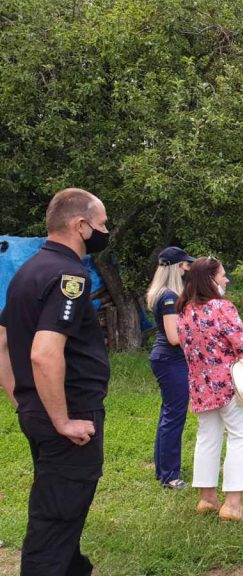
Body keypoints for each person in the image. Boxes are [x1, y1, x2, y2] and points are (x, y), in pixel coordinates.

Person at [0, 188, 110, 575]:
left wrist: (22, 400)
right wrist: (62, 420)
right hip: (70, 417)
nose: (105, 231)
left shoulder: (26, 271)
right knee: (56, 519)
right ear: (81, 226)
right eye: (102, 224)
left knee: (61, 512)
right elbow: (43, 353)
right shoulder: (69, 276)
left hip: (39, 410)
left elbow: (1, 342)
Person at [176, 256, 243, 522]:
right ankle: (233, 506)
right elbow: (242, 344)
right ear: (211, 279)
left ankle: (207, 499)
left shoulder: (185, 310)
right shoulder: (221, 307)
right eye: (223, 275)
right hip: (228, 384)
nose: (226, 279)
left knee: (207, 437)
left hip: (200, 385)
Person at [144, 246, 195, 490]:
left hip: (167, 359)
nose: (188, 268)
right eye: (185, 265)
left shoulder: (165, 294)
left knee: (169, 414)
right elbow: (175, 337)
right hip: (170, 359)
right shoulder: (169, 297)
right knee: (174, 416)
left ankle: (162, 467)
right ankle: (170, 476)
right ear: (176, 268)